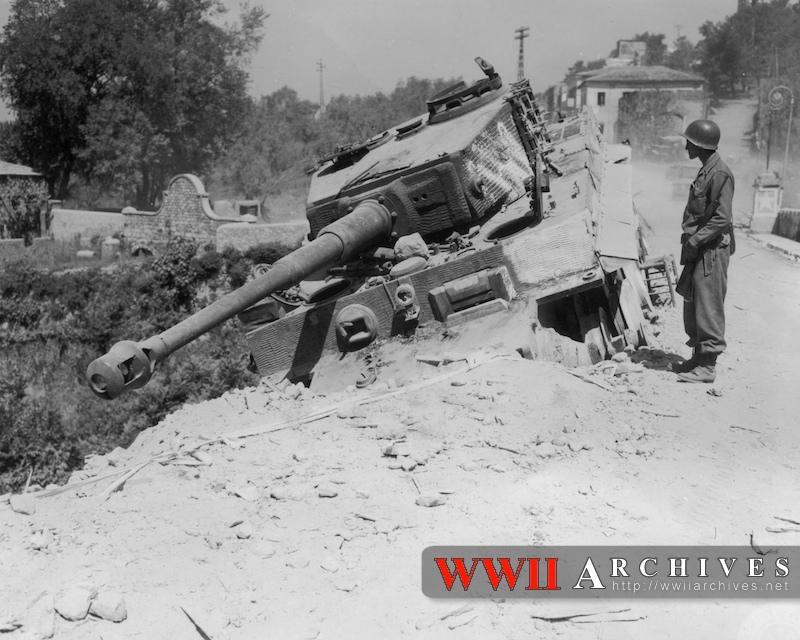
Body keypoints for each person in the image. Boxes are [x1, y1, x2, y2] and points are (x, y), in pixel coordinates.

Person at [672, 119, 735, 383]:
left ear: (700, 145)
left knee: (708, 305)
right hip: (700, 247)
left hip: (710, 250)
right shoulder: (706, 171)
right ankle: (698, 358)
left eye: (689, 141)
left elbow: (722, 218)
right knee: (694, 302)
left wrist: (696, 241)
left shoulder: (719, 173)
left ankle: (708, 367)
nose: (686, 145)